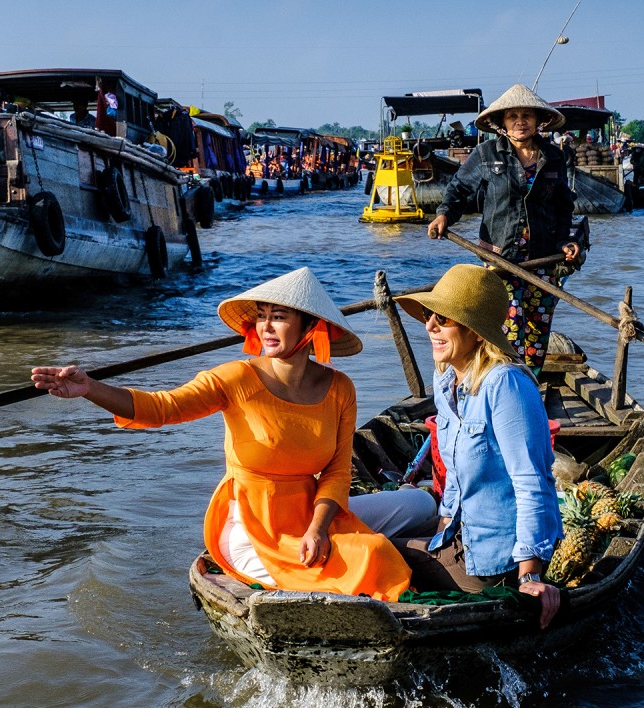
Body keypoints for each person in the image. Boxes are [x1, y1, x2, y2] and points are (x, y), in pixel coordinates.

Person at [30, 268, 413, 601]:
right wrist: (90, 389)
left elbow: (336, 473)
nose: (265, 327)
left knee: (417, 509)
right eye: (261, 317)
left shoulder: (339, 387)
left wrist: (318, 528)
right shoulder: (235, 378)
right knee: (372, 557)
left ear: (310, 327)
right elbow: (162, 407)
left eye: (278, 317)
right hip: (252, 525)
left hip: (309, 514)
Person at [389, 264, 564, 629]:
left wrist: (529, 575)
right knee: (363, 542)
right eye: (428, 315)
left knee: (376, 551)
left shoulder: (506, 386)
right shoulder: (447, 378)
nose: (429, 326)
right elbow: (453, 476)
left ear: (475, 330)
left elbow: (534, 482)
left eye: (443, 319)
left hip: (496, 562)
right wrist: (440, 532)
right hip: (460, 541)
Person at [426, 83, 580, 374]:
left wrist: (565, 241)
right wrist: (444, 215)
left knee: (537, 327)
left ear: (538, 122)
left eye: (526, 116)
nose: (520, 122)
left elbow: (563, 207)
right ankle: (505, 382)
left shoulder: (554, 157)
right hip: (499, 260)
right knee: (507, 327)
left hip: (543, 259)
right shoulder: (487, 154)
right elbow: (459, 189)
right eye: (512, 116)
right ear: (502, 123)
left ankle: (530, 383)